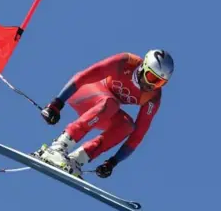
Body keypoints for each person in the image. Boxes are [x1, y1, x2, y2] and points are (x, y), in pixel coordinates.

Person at [34, 49, 174, 179]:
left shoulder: (153, 97)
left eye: (160, 82)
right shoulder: (126, 62)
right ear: (143, 67)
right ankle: (59, 146)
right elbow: (84, 75)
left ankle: (77, 160)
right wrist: (57, 104)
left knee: (127, 126)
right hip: (84, 92)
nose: (152, 85)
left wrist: (113, 162)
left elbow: (138, 135)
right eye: (151, 77)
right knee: (111, 104)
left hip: (104, 110)